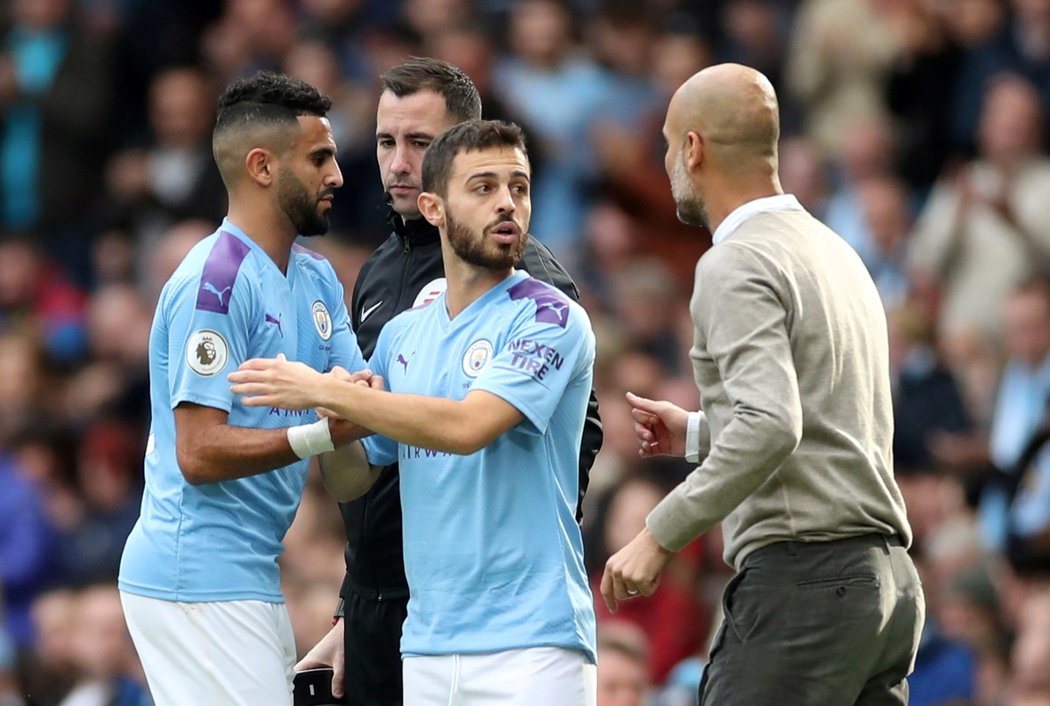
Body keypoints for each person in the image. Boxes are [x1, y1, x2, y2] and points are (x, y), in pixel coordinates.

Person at [231, 119, 598, 705]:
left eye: (519, 187)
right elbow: (355, 480)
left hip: (532, 645)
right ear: (433, 208)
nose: (507, 202)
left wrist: (329, 394)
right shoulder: (403, 335)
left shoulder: (549, 316)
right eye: (483, 188)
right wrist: (341, 430)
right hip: (425, 646)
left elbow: (468, 427)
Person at [599, 63, 925, 705]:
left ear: (693, 149)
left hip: (806, 586)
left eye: (667, 145)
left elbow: (773, 425)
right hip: (885, 589)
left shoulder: (734, 261)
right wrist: (695, 433)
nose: (666, 163)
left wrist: (657, 533)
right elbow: (819, 416)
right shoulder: (835, 251)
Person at [117, 71, 375, 706]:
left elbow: (351, 474)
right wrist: (323, 426)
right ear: (262, 167)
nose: (337, 175)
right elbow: (198, 453)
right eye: (320, 158)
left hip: (250, 571)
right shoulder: (217, 278)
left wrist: (345, 420)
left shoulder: (316, 280)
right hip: (192, 572)